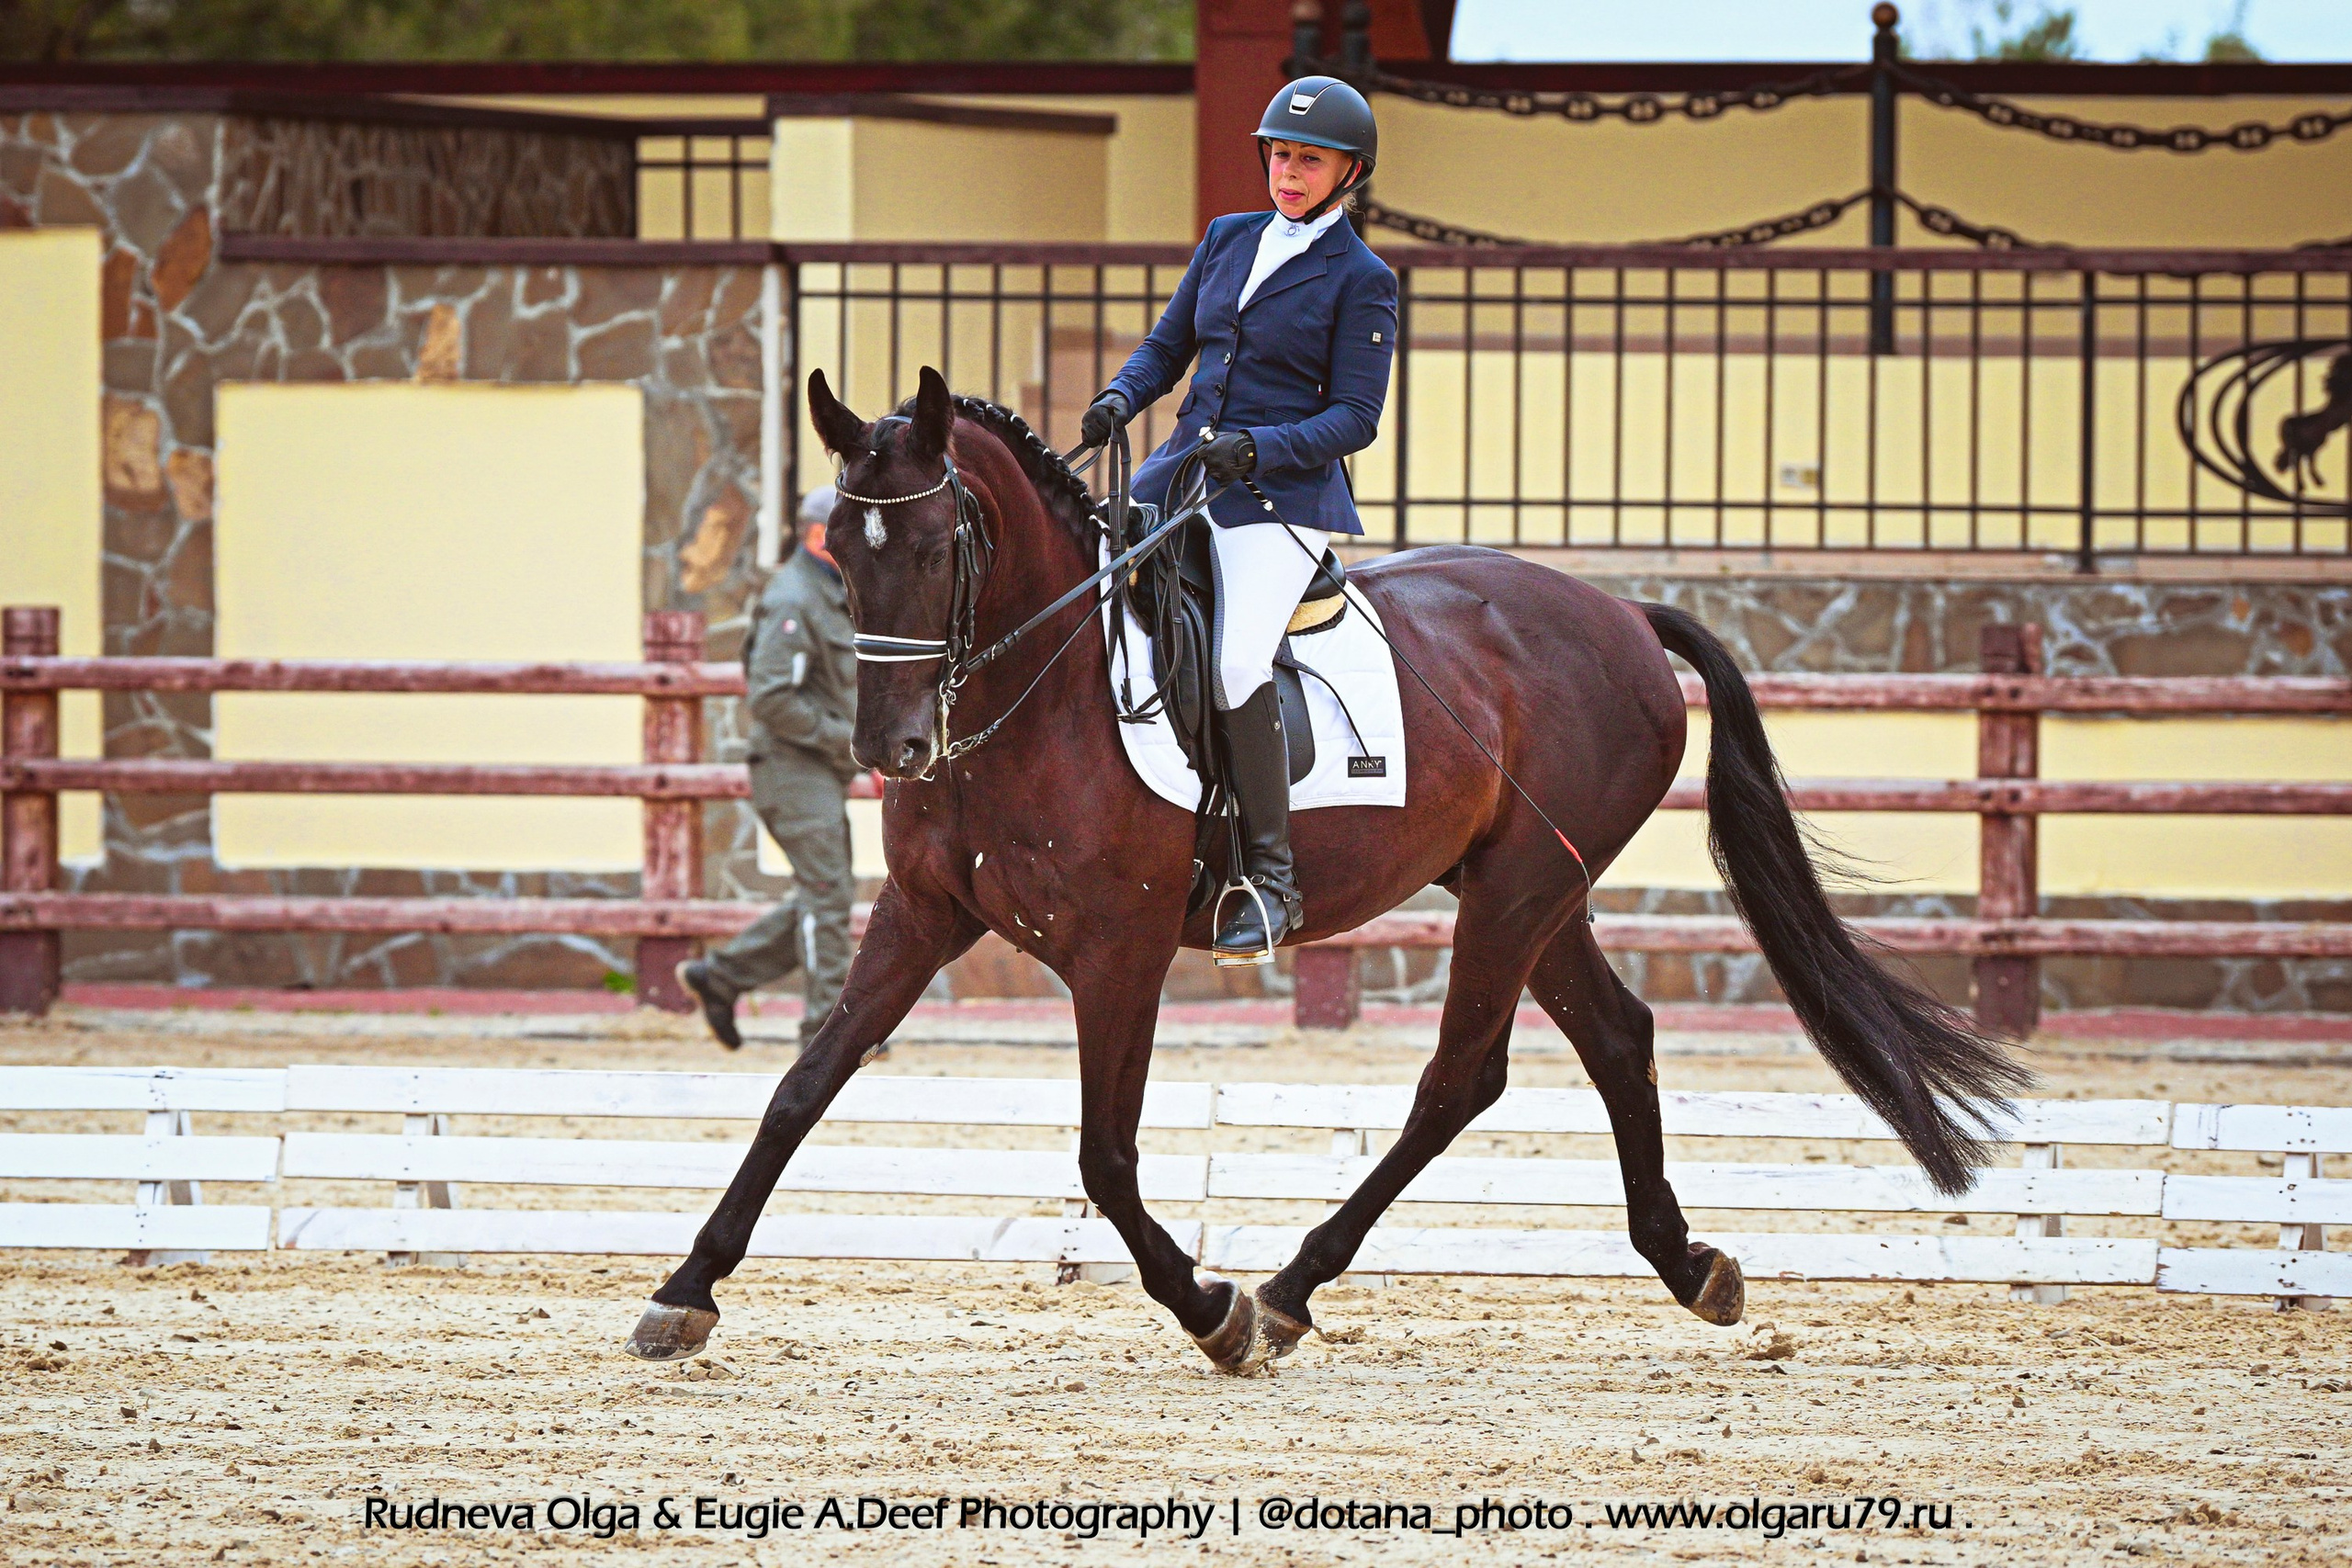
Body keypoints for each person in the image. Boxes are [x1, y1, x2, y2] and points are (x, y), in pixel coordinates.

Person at [1079, 75, 1395, 966]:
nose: (1289, 173)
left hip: (1278, 500)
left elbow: (1355, 418)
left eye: (1309, 160)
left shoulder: (1363, 280)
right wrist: (1118, 396)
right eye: (1281, 155)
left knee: (1234, 659)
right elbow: (1168, 344)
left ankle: (1267, 878)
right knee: (1091, 597)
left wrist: (1260, 449)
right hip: (1179, 471)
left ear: (1348, 171)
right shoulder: (1226, 239)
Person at [679, 487, 862, 1050]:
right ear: (817, 535)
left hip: (815, 769)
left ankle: (723, 977)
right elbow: (772, 698)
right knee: (829, 896)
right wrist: (851, 743)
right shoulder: (793, 599)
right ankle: (826, 1034)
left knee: (823, 895)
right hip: (791, 770)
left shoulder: (831, 590)